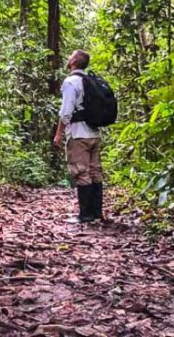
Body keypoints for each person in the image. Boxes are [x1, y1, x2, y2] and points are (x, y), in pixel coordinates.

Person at [52, 49, 103, 223]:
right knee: (95, 171)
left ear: (74, 60)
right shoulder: (91, 80)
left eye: (70, 56)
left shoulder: (71, 82)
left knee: (81, 172)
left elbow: (66, 112)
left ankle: (86, 215)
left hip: (78, 133)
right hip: (94, 133)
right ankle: (97, 213)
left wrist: (58, 134)